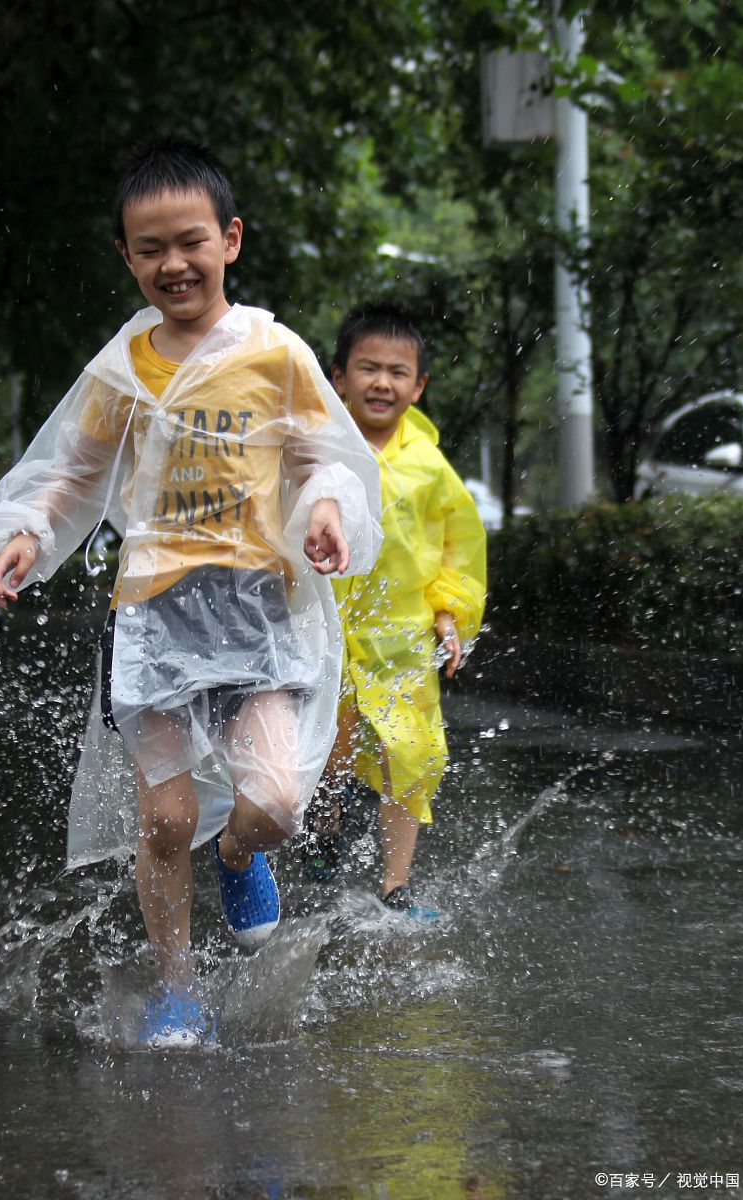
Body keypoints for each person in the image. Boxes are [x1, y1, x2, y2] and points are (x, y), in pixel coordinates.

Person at [0, 137, 381, 1047]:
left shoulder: (275, 353)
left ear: (229, 239)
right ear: (126, 257)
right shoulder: (124, 367)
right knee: (164, 816)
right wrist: (28, 532)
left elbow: (323, 458)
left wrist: (328, 513)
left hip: (258, 611)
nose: (172, 263)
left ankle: (236, 856)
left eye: (189, 241)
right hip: (151, 615)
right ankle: (177, 988)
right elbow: (71, 472)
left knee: (274, 801)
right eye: (149, 249)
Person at [303, 301, 487, 916]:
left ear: (419, 384)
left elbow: (458, 550)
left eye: (397, 371)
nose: (382, 382)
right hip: (324, 630)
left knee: (412, 751)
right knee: (329, 745)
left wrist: (450, 614)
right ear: (338, 377)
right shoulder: (318, 452)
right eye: (367, 368)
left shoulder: (431, 469)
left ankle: (395, 883)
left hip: (400, 636)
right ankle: (325, 827)